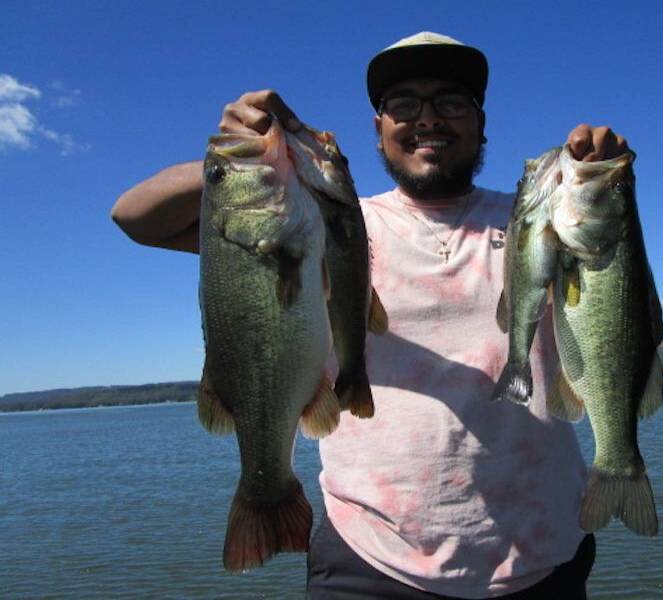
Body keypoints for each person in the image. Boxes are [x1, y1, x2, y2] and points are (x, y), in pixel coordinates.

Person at [112, 31, 631, 600]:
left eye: (451, 102)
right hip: (371, 560)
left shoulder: (543, 219)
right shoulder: (327, 222)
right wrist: (235, 162)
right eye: (403, 105)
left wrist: (599, 175)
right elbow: (136, 216)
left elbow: (611, 272)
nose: (428, 119)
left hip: (543, 554)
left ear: (482, 123)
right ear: (380, 130)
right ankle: (264, 492)